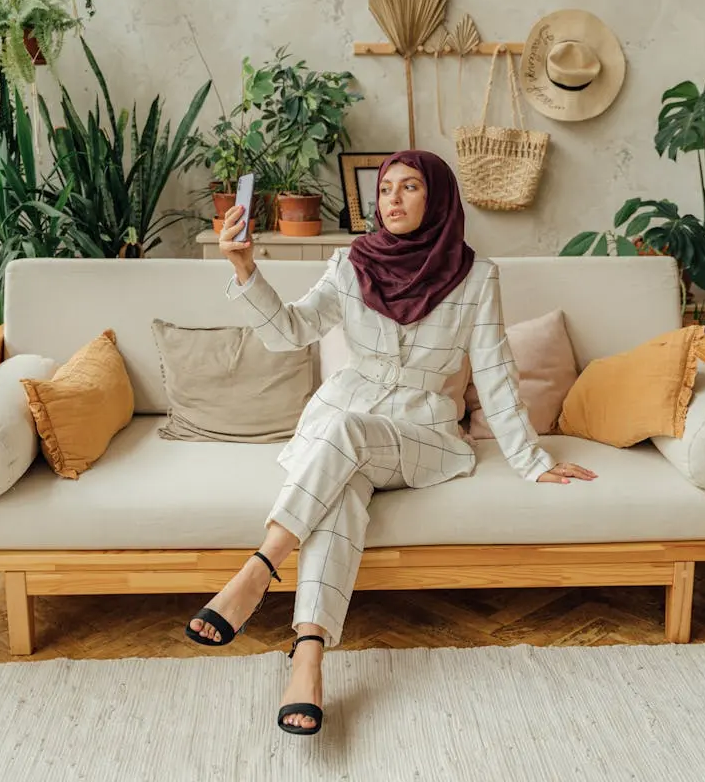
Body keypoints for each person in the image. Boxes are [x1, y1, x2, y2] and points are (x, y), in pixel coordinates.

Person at [185, 150, 596, 736]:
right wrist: (246, 267)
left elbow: (496, 373)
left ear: (438, 199)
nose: (393, 200)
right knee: (344, 485)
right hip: (343, 427)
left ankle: (259, 567)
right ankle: (308, 659)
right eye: (385, 190)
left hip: (423, 432)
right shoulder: (350, 263)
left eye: (410, 188)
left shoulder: (476, 277)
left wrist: (533, 462)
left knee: (346, 433)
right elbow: (290, 333)